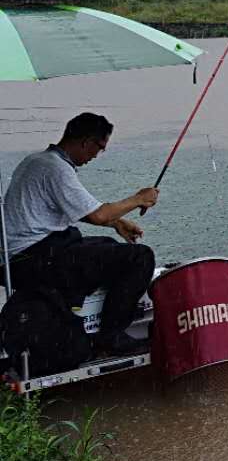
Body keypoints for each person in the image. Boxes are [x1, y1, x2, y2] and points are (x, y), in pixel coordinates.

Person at [3, 113, 158, 356]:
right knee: (139, 257)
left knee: (108, 245)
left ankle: (79, 310)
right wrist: (138, 199)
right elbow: (98, 215)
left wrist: (116, 223)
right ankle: (111, 336)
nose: (98, 155)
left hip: (20, 258)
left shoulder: (36, 161)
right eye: (100, 148)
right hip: (35, 260)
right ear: (86, 142)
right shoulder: (56, 169)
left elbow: (82, 210)